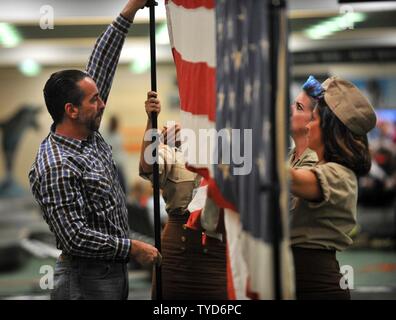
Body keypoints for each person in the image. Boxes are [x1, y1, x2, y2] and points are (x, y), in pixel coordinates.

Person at [28, 0, 161, 300]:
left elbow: (102, 60)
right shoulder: (56, 163)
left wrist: (130, 8)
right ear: (71, 110)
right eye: (95, 100)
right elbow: (74, 237)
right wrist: (132, 248)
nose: (102, 103)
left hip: (110, 272)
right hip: (85, 281)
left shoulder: (87, 132)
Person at [289, 76, 377, 300]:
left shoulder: (340, 175)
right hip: (295, 281)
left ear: (330, 128)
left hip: (315, 285)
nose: (308, 124)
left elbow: (288, 180)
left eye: (314, 117)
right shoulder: (309, 164)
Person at [139, 91, 227, 300]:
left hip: (216, 250)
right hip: (177, 249)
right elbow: (148, 165)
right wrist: (151, 122)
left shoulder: (228, 145)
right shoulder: (174, 146)